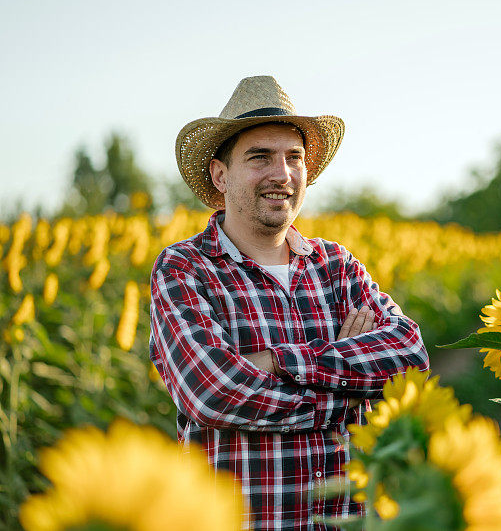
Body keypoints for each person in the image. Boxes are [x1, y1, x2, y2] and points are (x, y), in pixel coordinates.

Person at [149, 76, 429, 530]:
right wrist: (349, 397)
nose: (282, 174)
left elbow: (410, 355)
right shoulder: (186, 268)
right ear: (221, 175)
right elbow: (213, 393)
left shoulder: (336, 265)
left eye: (293, 158)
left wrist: (276, 363)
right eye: (260, 157)